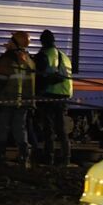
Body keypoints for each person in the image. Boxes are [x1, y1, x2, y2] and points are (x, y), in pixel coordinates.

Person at [0, 32, 35, 166]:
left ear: (15, 43)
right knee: (20, 129)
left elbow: (0, 80)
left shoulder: (7, 60)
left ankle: (0, 157)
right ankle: (24, 157)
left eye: (11, 40)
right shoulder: (29, 61)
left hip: (6, 100)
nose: (8, 42)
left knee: (2, 128)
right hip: (23, 102)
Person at [33, 29, 73, 166]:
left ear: (42, 41)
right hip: (64, 94)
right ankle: (66, 158)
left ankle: (48, 158)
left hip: (49, 94)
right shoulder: (64, 56)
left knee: (48, 128)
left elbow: (38, 76)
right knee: (61, 130)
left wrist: (36, 93)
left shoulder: (44, 55)